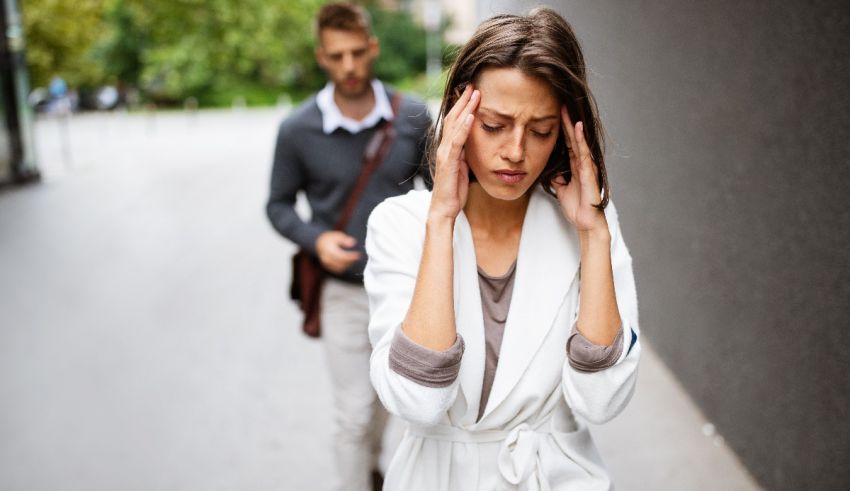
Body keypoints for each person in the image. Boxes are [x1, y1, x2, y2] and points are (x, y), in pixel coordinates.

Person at [364, 8, 640, 490]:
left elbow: (601, 402)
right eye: (494, 125)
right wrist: (442, 220)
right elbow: (417, 401)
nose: (516, 151)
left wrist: (594, 235)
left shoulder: (589, 225)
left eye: (540, 130)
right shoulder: (401, 225)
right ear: (458, 116)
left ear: (566, 132)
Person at [265, 3, 431, 491]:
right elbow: (276, 205)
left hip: (405, 290)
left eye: (358, 53)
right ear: (322, 57)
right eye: (337, 57)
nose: (350, 67)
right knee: (354, 413)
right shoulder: (297, 130)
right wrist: (314, 238)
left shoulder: (414, 115)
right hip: (341, 291)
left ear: (373, 48)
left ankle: (370, 466)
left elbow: (444, 193)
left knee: (390, 403)